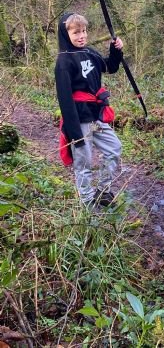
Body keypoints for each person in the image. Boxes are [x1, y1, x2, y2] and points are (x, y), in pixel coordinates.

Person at [55, 12, 123, 207]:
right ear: (65, 34)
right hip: (79, 119)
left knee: (114, 148)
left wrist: (116, 50)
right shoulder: (64, 62)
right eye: (76, 32)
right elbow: (65, 101)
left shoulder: (90, 53)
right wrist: (74, 133)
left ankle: (103, 191)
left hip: (96, 116)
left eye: (84, 31)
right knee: (84, 162)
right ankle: (87, 203)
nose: (82, 36)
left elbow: (110, 67)